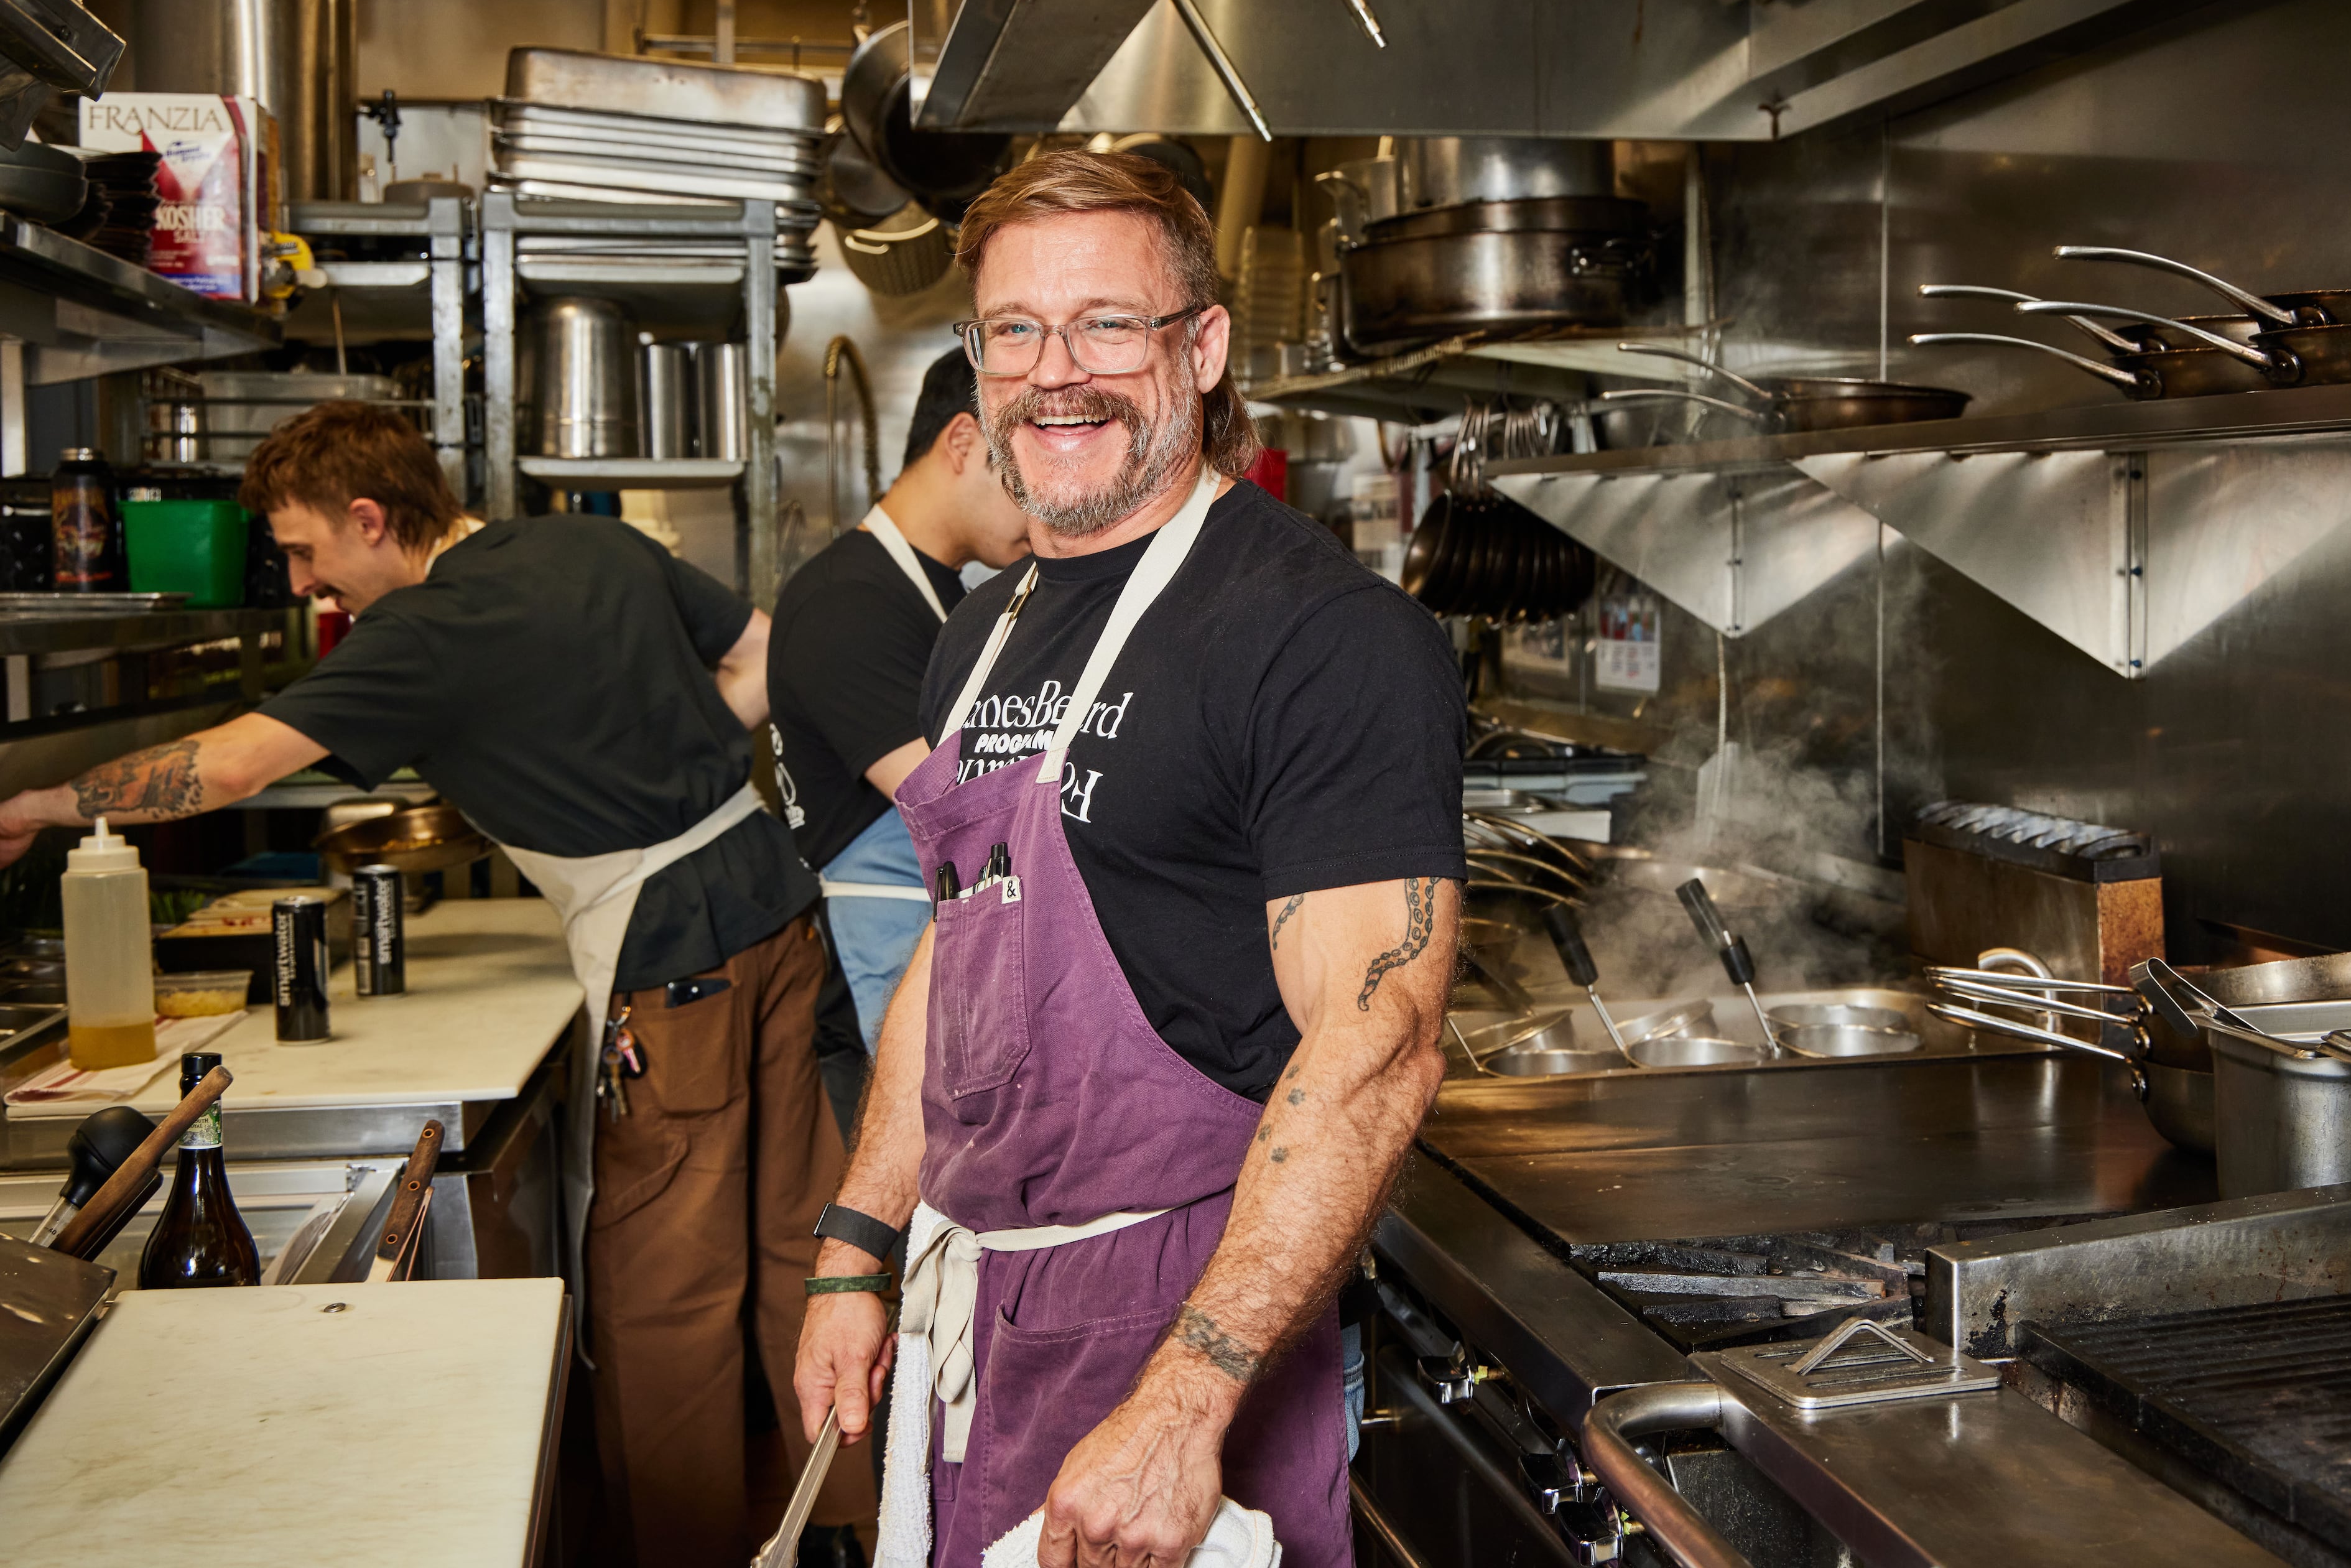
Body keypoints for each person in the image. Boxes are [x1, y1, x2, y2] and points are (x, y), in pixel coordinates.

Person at [0, 404, 871, 1568]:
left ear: (371, 518)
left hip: (676, 971)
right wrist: (669, 773)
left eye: (308, 550)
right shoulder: (590, 544)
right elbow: (767, 650)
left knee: (665, 1292)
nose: (308, 582)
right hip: (782, 907)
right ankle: (853, 1530)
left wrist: (35, 807)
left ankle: (690, 1551)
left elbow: (229, 765)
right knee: (807, 1255)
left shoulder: (417, 632)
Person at [789, 150, 1466, 1568]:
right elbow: (956, 949)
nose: (1057, 374)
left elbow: (1381, 1035)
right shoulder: (976, 638)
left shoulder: (1316, 634)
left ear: (1201, 347)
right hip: (985, 1311)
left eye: (1108, 323)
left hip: (1187, 1327)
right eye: (1016, 332)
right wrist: (860, 1239)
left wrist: (1182, 1397)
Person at [770, 348, 1029, 1059]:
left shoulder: (945, 594)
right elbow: (957, 807)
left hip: (953, 951)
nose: (1042, 496)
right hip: (888, 970)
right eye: (1026, 464)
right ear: (963, 442)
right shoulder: (847, 604)